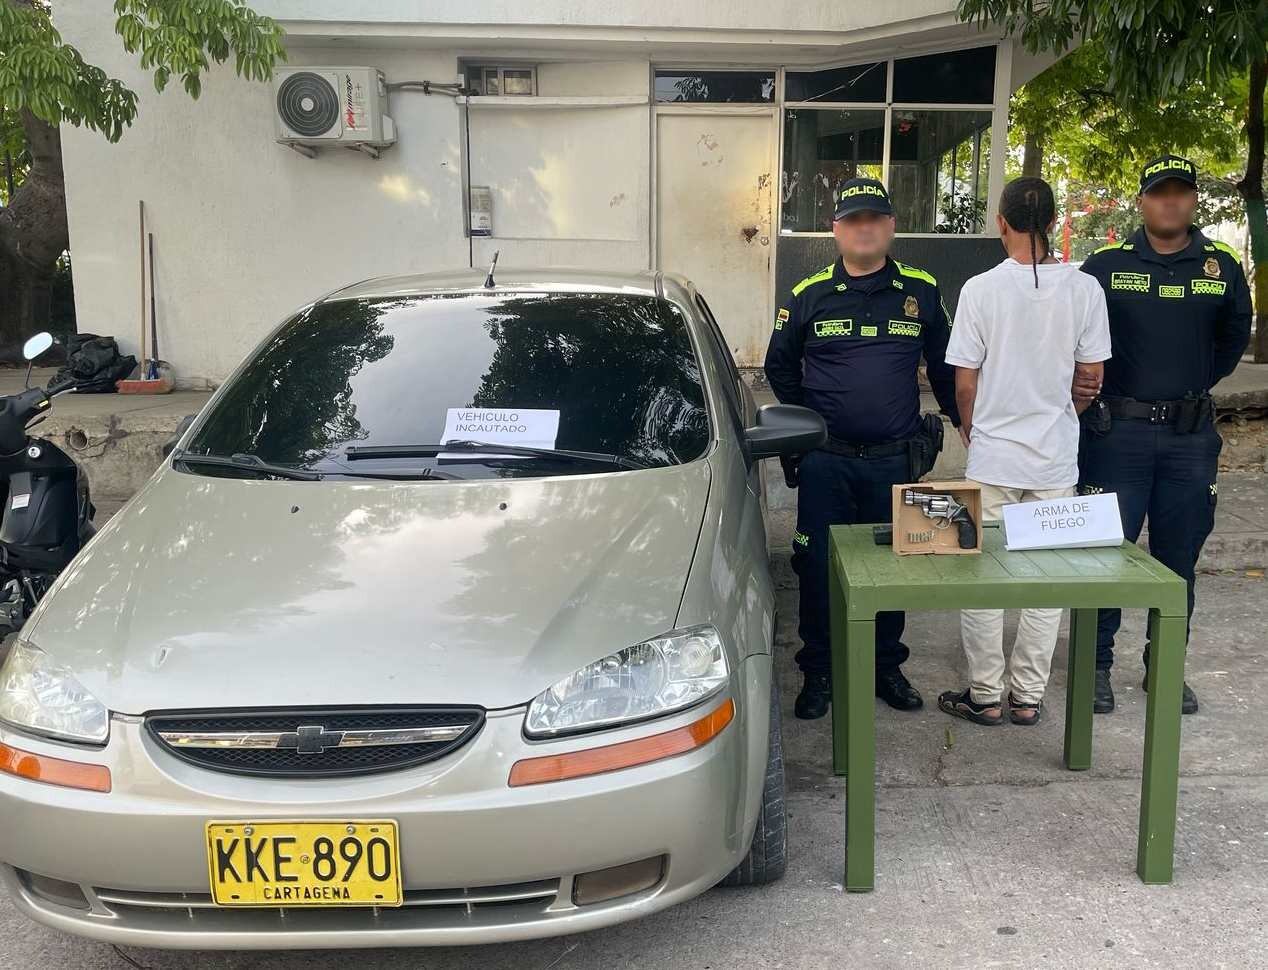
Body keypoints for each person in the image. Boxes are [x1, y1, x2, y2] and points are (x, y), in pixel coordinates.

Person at [764, 176, 960, 720]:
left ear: (891, 226)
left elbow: (946, 365)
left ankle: (884, 665)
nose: (864, 229)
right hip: (827, 461)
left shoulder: (921, 289)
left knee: (896, 563)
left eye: (874, 219)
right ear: (836, 230)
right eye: (853, 221)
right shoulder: (809, 294)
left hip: (897, 460)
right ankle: (819, 670)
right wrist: (808, 424)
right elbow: (780, 365)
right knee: (816, 566)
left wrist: (966, 423)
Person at [1077, 154, 1252, 715]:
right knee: (1104, 553)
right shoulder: (1105, 266)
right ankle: (1094, 665)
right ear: (1142, 201)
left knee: (1179, 557)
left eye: (1180, 191)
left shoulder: (1221, 267)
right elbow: (1077, 335)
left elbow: (1231, 341)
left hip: (1188, 439)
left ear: (1193, 200)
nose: (1169, 201)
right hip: (1116, 434)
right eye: (1159, 192)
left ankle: (1165, 666)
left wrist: (1187, 388)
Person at [938, 177, 1112, 726]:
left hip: (993, 457)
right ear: (1054, 222)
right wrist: (1063, 417)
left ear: (1001, 223)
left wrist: (973, 429)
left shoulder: (979, 290)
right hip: (1055, 459)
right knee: (1047, 579)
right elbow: (1091, 377)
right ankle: (1028, 697)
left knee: (982, 576)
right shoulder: (1085, 290)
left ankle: (985, 695)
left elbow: (964, 382)